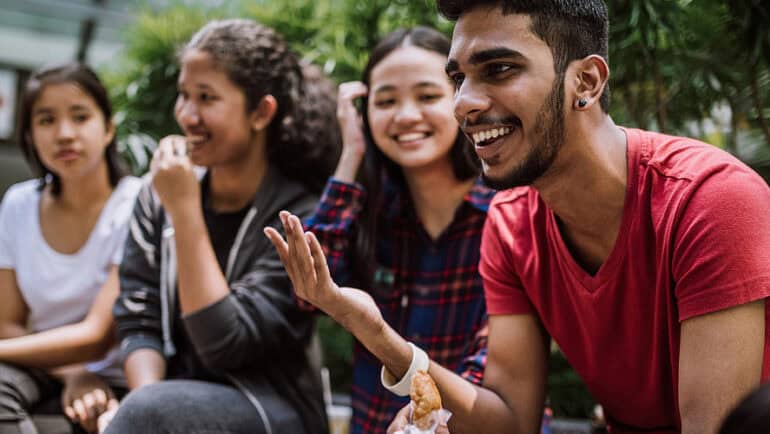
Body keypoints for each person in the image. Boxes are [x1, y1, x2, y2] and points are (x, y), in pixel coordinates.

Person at [268, 1, 770, 434]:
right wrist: (375, 333)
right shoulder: (512, 222)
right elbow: (510, 421)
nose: (463, 102)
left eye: (499, 69)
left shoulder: (709, 201)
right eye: (458, 78)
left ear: (587, 81)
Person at [101, 19, 338, 434]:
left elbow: (225, 343)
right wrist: (140, 405)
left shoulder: (298, 216)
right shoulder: (156, 195)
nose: (187, 115)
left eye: (206, 98)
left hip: (272, 406)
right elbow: (139, 322)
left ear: (261, 112)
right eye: (184, 95)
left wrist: (185, 211)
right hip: (169, 399)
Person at [266, 26, 494, 434]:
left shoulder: (504, 213)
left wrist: (434, 417)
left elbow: (499, 358)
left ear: (461, 99)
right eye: (386, 101)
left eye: (427, 96)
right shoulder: (368, 208)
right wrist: (350, 154)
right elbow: (308, 296)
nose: (406, 115)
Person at [0, 63, 141, 434]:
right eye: (46, 120)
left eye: (80, 117)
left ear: (108, 128)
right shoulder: (18, 204)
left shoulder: (135, 204)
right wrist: (72, 375)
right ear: (29, 134)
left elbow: (97, 337)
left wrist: (85, 373)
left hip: (122, 377)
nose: (64, 134)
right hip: (44, 369)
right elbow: (7, 323)